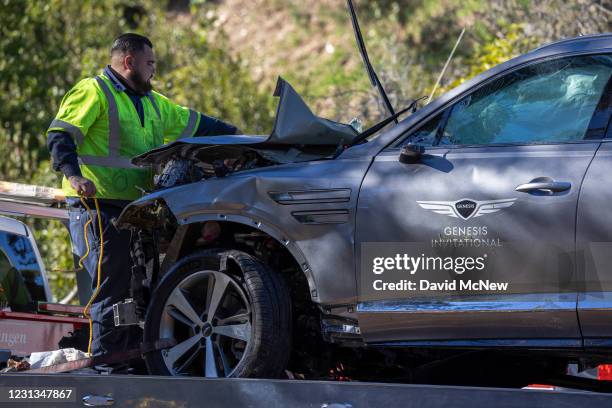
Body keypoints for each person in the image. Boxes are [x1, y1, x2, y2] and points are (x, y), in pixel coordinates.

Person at [46, 33, 239, 359]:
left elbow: (198, 124)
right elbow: (60, 134)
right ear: (129, 62)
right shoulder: (94, 91)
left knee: (137, 288)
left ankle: (128, 359)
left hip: (135, 210)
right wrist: (73, 175)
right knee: (109, 287)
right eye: (150, 63)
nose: (153, 71)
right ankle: (105, 361)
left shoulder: (153, 103)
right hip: (97, 206)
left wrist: (242, 138)